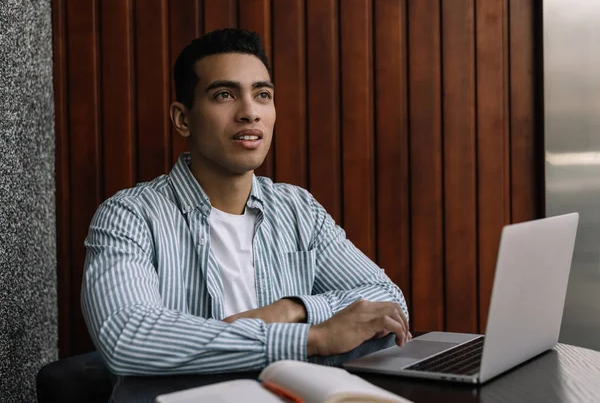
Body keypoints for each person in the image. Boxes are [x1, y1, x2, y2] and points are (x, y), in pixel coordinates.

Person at [81, 28, 410, 377]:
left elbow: (389, 302)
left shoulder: (298, 210)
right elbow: (129, 340)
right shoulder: (128, 216)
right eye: (224, 94)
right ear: (183, 119)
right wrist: (313, 338)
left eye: (262, 94)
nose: (249, 112)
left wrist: (291, 309)